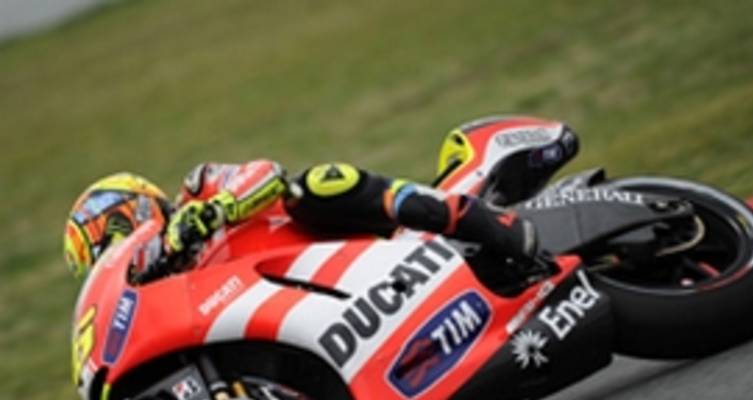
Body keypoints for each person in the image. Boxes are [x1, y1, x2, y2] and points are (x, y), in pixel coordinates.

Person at [63, 161, 541, 280]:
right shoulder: (170, 293)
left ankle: (478, 220)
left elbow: (265, 173)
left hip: (354, 245)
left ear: (131, 213)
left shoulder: (199, 188)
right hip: (319, 302)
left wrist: (214, 211)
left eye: (109, 249)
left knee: (315, 185)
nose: (116, 261)